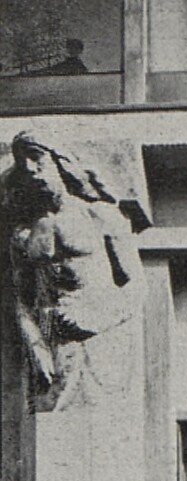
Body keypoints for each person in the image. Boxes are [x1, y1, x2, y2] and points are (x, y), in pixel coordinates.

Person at [3, 132, 145, 410]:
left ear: (61, 161)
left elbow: (136, 286)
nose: (30, 168)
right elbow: (22, 299)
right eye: (22, 163)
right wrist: (36, 345)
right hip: (50, 340)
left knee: (101, 417)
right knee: (47, 418)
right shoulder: (23, 233)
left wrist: (95, 319)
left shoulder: (101, 216)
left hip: (98, 335)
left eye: (36, 156)